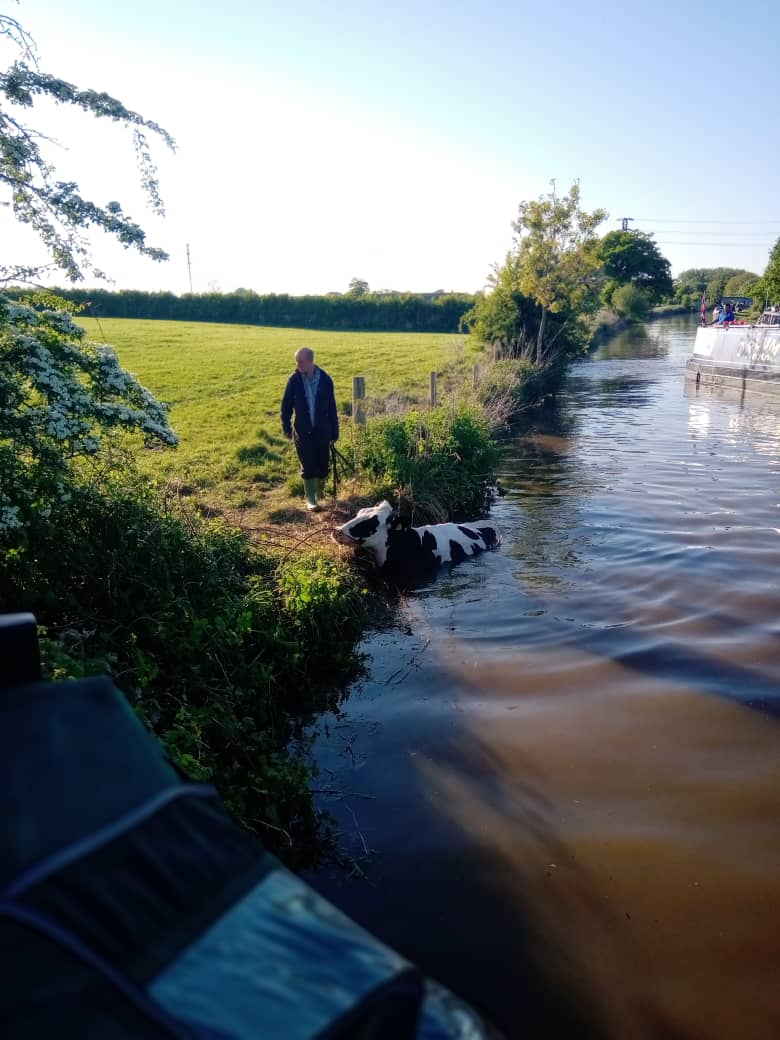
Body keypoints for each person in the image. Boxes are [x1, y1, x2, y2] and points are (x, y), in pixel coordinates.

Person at [281, 347, 339, 511]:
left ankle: (320, 495)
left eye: (301, 361)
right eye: (296, 361)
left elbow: (332, 408)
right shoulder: (294, 380)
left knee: (323, 464)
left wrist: (335, 431)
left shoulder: (326, 380)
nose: (297, 364)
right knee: (308, 464)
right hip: (302, 431)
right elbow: (285, 407)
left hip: (323, 431)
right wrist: (286, 427)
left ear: (310, 361)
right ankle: (311, 500)